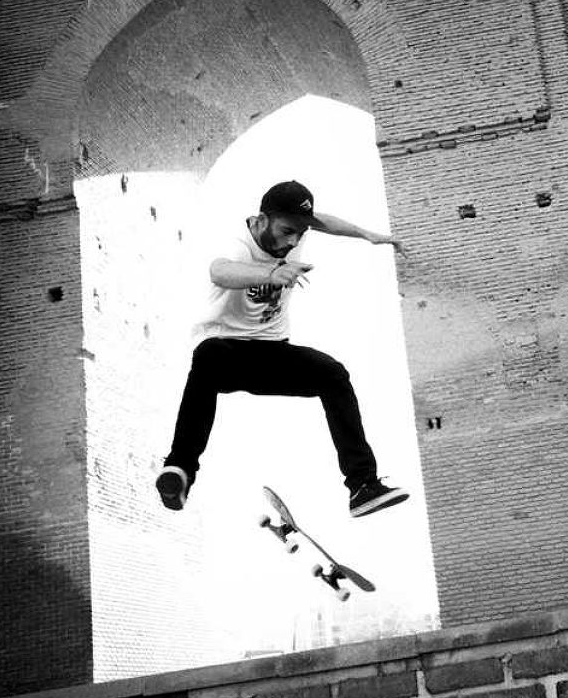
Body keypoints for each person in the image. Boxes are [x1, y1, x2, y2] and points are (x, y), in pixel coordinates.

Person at [155, 180, 409, 518]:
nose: (292, 242)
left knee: (333, 374)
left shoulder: (297, 230)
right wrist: (273, 272)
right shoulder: (237, 243)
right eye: (287, 231)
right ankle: (180, 470)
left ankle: (362, 486)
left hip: (272, 354)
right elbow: (220, 271)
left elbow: (325, 221)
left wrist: (366, 234)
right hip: (227, 353)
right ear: (261, 220)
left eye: (300, 234)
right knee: (207, 356)